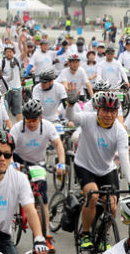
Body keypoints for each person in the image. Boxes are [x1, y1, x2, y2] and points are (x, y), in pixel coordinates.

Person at [65, 84, 130, 251]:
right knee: (92, 196)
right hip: (85, 165)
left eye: (113, 111)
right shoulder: (88, 119)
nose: (109, 115)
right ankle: (85, 234)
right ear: (98, 109)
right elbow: (71, 117)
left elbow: (124, 158)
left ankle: (103, 235)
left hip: (106, 168)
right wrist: (71, 104)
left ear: (117, 112)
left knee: (112, 204)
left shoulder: (120, 132)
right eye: (105, 110)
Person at [9, 99, 65, 252]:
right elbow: (8, 148)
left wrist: (61, 163)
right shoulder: (16, 128)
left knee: (42, 200)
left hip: (37, 162)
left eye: (34, 120)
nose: (31, 123)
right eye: (28, 120)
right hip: (19, 160)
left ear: (40, 118)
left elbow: (58, 144)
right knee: (15, 189)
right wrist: (12, 163)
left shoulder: (47, 126)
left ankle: (45, 234)